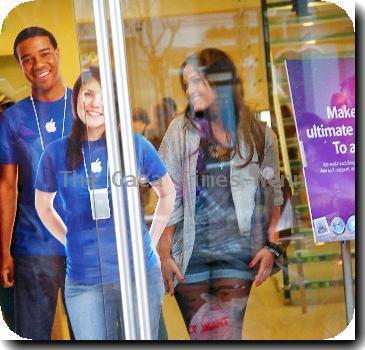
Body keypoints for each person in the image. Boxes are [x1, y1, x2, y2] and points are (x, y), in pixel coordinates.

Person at [34, 66, 176, 340]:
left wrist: (153, 239)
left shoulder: (134, 146)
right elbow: (43, 206)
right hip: (84, 283)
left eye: (104, 96)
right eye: (88, 93)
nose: (95, 103)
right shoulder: (55, 154)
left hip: (138, 275)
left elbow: (167, 193)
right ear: (76, 98)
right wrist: (69, 239)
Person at [158, 48, 284, 340]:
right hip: (189, 257)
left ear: (221, 81)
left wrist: (273, 247)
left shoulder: (259, 134)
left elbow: (274, 196)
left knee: (227, 336)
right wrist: (164, 256)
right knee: (202, 337)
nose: (191, 90)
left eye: (198, 81)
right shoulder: (180, 131)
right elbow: (168, 197)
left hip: (237, 256)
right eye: (187, 83)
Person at [0, 27, 73, 339]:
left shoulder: (86, 107)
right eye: (27, 59)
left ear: (57, 54)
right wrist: (4, 251)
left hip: (85, 246)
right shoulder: (13, 118)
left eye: (44, 54)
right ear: (20, 65)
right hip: (34, 249)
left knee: (94, 333)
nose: (38, 64)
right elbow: (7, 186)